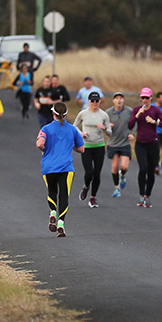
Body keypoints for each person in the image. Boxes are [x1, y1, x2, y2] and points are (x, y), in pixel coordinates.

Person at [36, 101, 85, 238]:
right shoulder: (72, 129)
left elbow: (40, 143)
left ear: (53, 113)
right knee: (64, 194)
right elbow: (81, 149)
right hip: (66, 167)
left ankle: (52, 212)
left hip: (49, 166)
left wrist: (45, 149)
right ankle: (61, 223)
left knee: (52, 191)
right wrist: (71, 146)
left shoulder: (46, 129)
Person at [127, 87, 162, 208]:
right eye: (142, 98)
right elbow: (130, 125)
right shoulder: (136, 110)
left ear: (151, 98)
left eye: (147, 97)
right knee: (143, 168)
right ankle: (141, 194)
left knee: (151, 170)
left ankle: (147, 195)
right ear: (140, 99)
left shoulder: (155, 110)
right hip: (140, 144)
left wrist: (155, 122)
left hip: (153, 143)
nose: (145, 100)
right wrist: (138, 114)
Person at [73, 91, 112, 208]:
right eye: (93, 101)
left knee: (97, 173)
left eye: (97, 101)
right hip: (87, 146)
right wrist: (81, 133)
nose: (95, 103)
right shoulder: (83, 114)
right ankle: (86, 186)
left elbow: (110, 132)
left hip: (99, 146)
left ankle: (93, 197)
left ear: (100, 101)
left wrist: (103, 128)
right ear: (89, 101)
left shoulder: (104, 115)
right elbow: (74, 126)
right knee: (89, 172)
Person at [106, 92, 133, 198]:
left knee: (124, 166)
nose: (119, 100)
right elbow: (104, 127)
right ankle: (117, 188)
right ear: (113, 101)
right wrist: (108, 127)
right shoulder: (108, 112)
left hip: (125, 142)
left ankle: (122, 175)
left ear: (123, 100)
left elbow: (135, 123)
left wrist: (132, 134)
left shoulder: (129, 111)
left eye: (121, 98)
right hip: (113, 143)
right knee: (115, 167)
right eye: (117, 98)